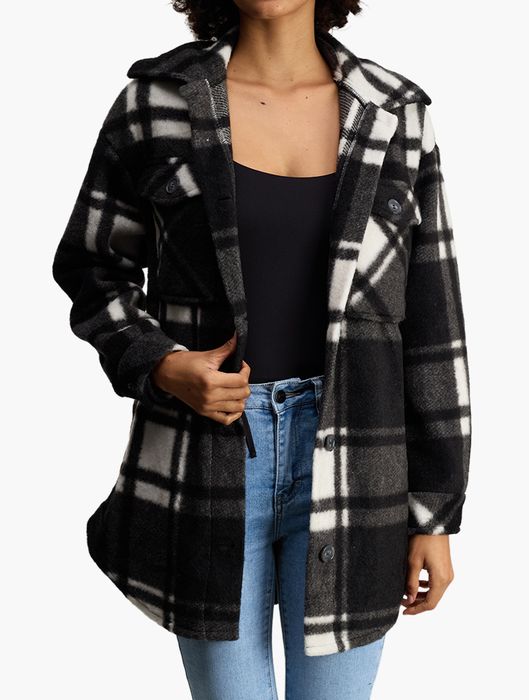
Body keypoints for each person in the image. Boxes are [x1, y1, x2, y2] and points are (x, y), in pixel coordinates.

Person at [52, 1, 472, 698]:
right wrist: (159, 363)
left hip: (358, 461)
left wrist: (435, 510)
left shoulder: (395, 112)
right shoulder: (154, 105)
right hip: (204, 459)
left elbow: (433, 321)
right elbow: (92, 267)